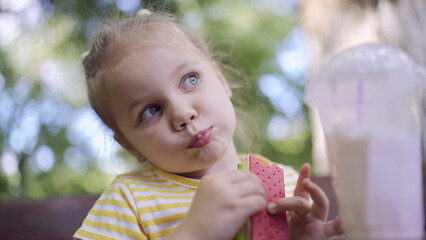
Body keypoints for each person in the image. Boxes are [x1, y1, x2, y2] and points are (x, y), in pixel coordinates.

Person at [74, 8, 341, 240]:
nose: (182, 114)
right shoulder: (127, 202)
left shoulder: (287, 184)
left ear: (221, 80)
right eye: (151, 111)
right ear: (130, 145)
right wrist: (192, 233)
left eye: (190, 80)